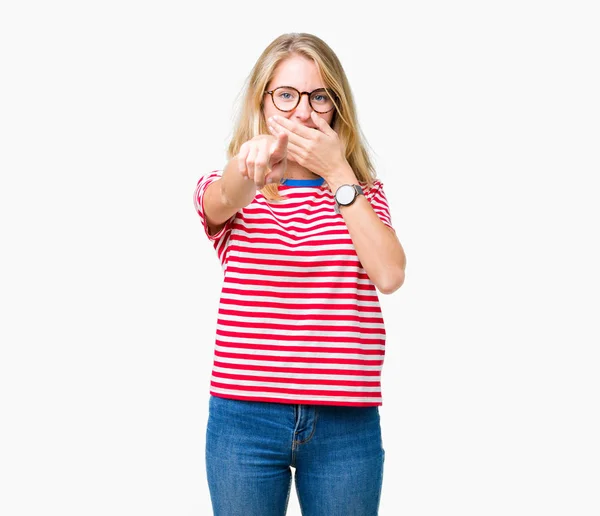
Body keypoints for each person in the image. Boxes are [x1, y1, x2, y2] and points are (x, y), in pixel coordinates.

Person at [193, 32, 406, 516]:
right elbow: (224, 197)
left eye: (319, 97)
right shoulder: (233, 187)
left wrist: (339, 175)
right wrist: (251, 166)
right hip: (243, 419)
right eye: (286, 95)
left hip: (345, 424)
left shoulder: (362, 195)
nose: (303, 112)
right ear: (262, 102)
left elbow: (390, 274)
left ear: (337, 107)